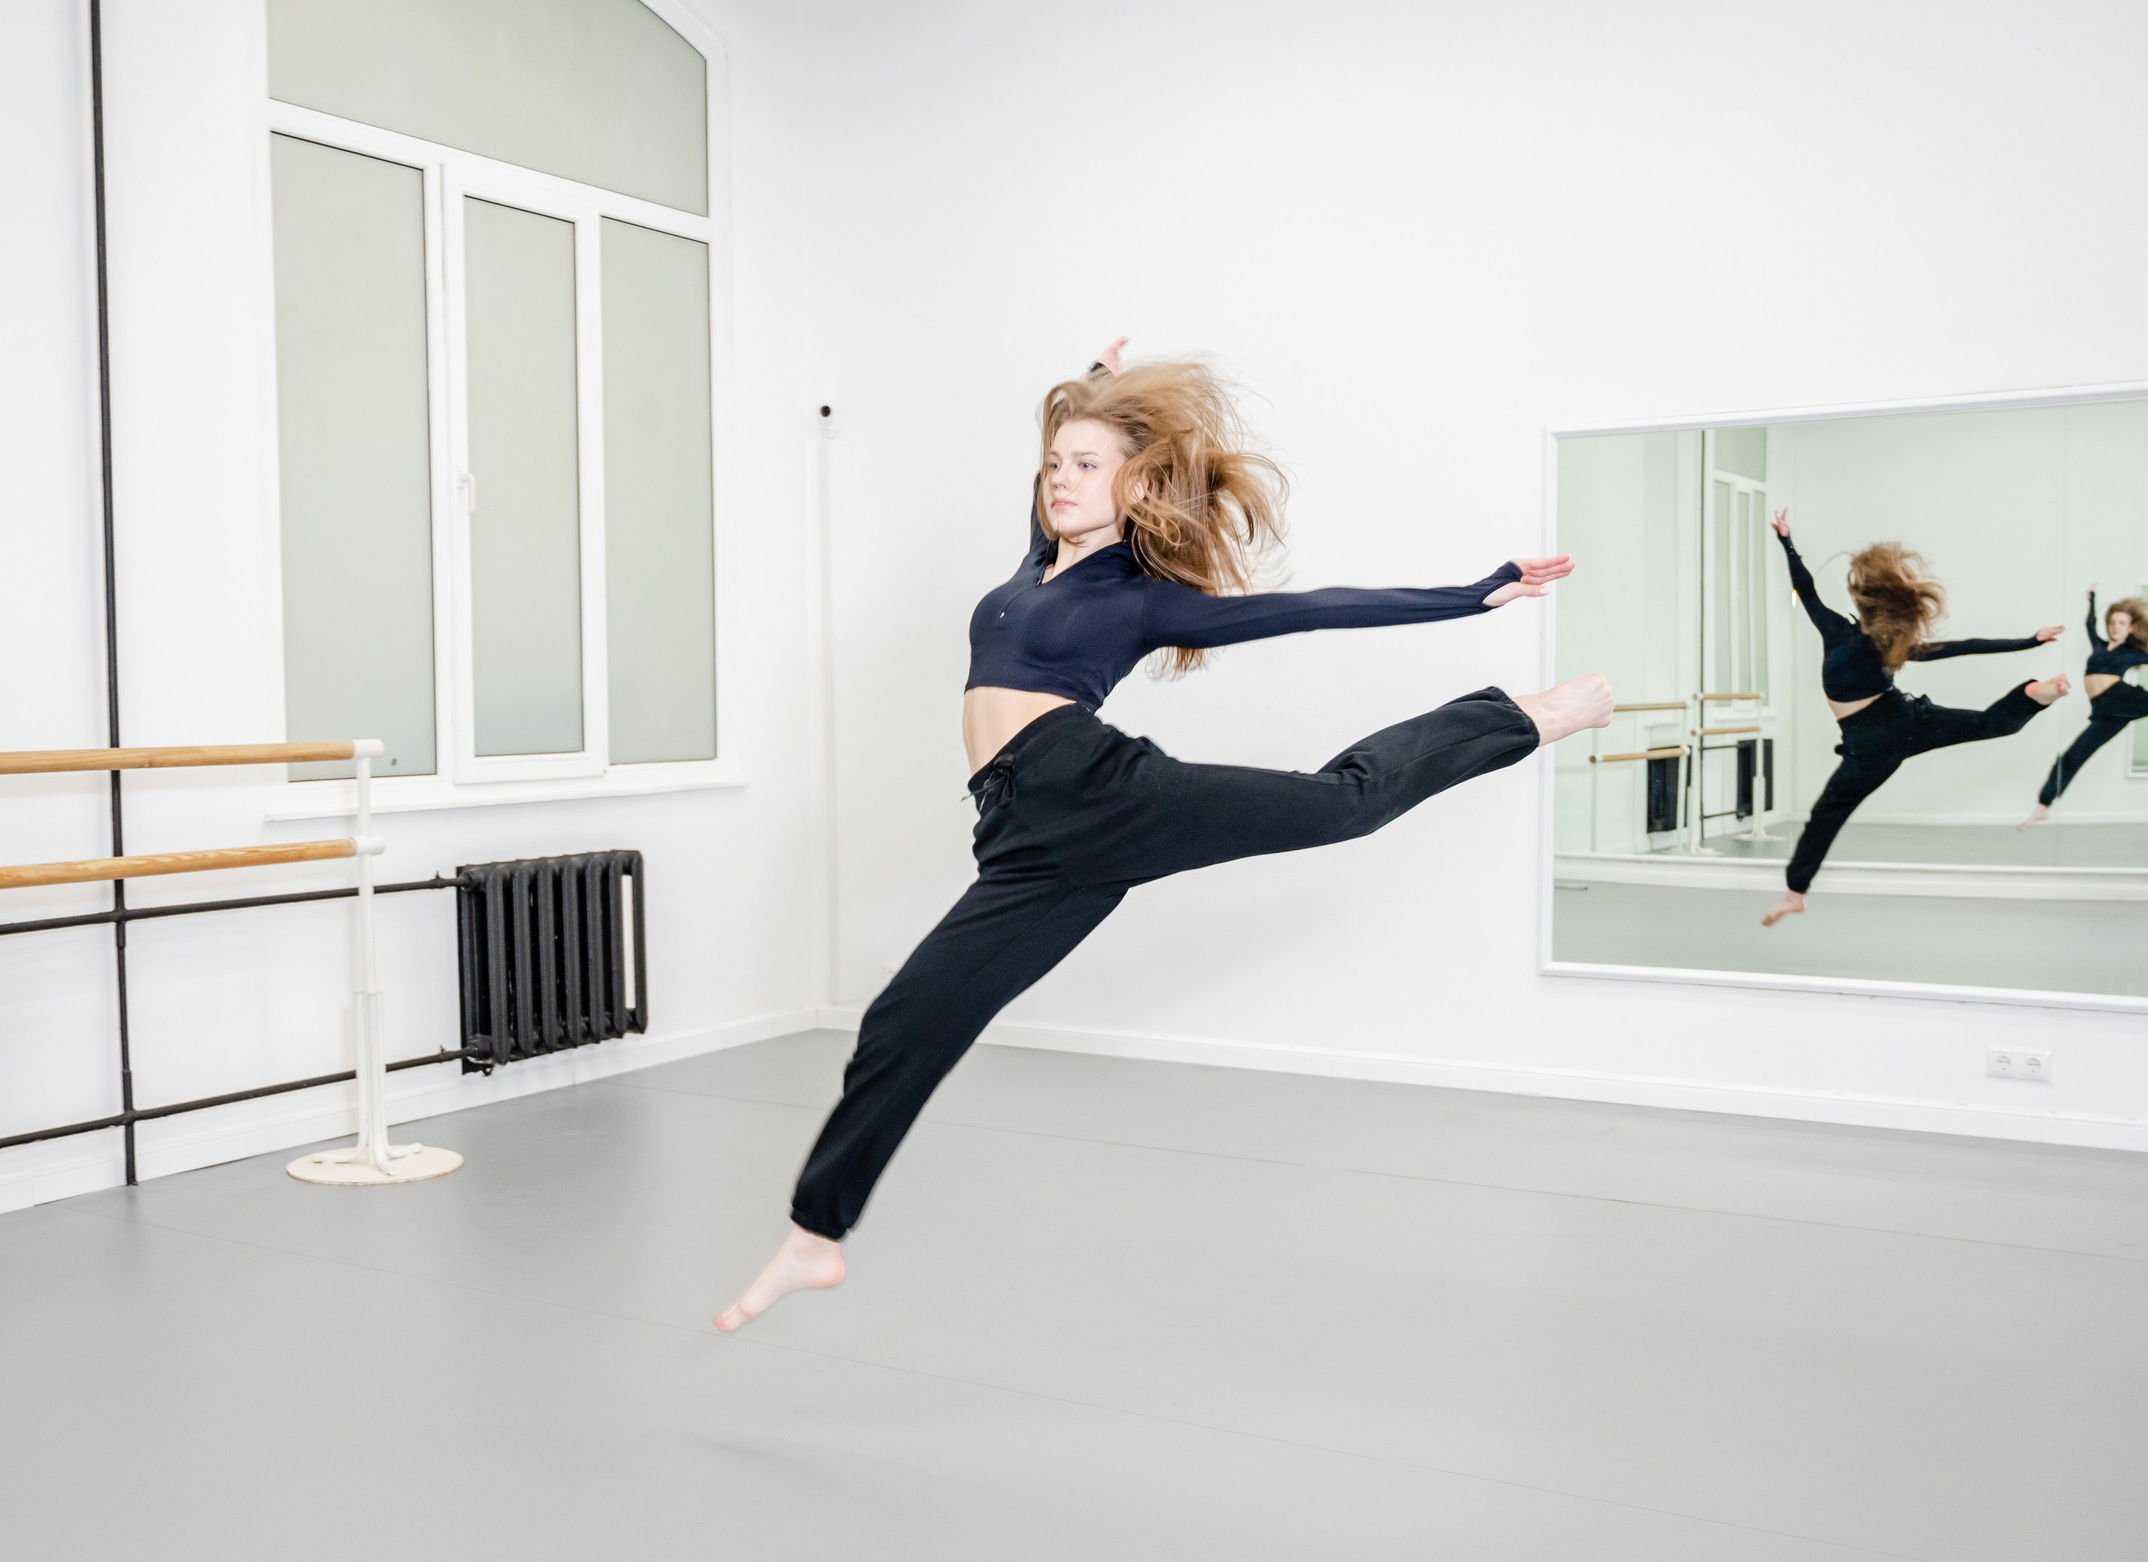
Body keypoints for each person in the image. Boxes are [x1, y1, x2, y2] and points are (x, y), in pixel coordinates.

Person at [713, 342, 1614, 1332]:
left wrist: (1465, 594)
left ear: (1134, 482)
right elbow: (1054, 475)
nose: (1061, 477)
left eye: (1085, 464)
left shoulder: (1136, 598)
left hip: (1098, 791)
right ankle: (815, 1234)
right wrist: (1085, 390)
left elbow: (1309, 610)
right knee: (900, 1021)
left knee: (1340, 804)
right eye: (1053, 462)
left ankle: (1522, 716)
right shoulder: (1027, 571)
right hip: (1021, 839)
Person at [1760, 510, 2067, 927]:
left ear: (1862, 604)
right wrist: (2029, 642)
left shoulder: (1836, 630)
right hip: (1905, 719)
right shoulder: (1896, 647)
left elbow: (1805, 588)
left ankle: (1796, 893)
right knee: (1989, 724)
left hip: (1869, 743)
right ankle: (2035, 696)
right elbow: (1966, 646)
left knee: (1828, 815)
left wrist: (1787, 541)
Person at [2021, 585, 2148, 828]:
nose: (2115, 627)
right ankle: (2043, 805)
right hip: (2105, 713)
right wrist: (2092, 600)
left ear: (2131, 628)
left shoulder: (2133, 652)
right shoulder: (2099, 646)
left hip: (2124, 699)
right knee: (2072, 757)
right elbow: (2089, 624)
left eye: (2122, 623)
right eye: (2112, 622)